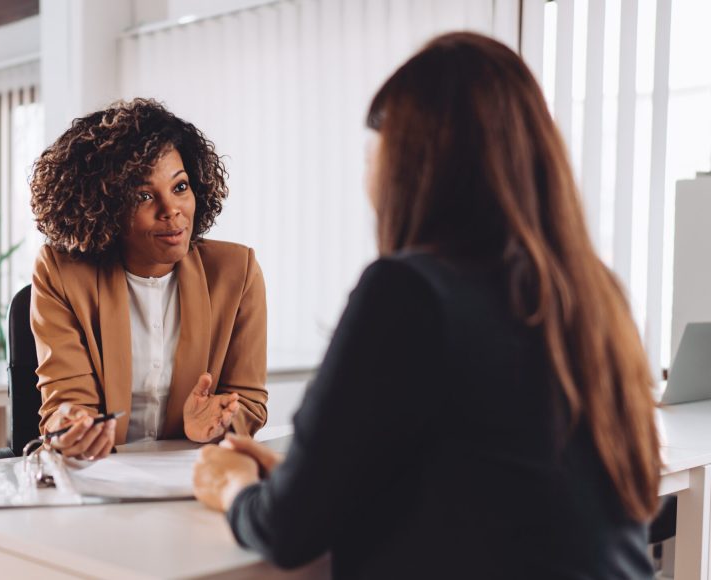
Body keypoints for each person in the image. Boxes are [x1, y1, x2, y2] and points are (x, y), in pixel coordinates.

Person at [193, 32, 660, 578]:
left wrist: (234, 488)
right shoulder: (593, 292)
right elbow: (481, 484)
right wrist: (302, 478)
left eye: (375, 146)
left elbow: (289, 530)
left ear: (410, 160)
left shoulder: (407, 292)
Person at [29, 98, 268, 460]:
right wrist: (72, 425)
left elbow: (248, 401)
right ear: (104, 207)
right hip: (100, 477)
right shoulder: (61, 273)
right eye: (143, 195)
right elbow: (65, 400)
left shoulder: (236, 272)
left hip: (189, 480)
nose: (170, 209)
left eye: (180, 187)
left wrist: (219, 422)